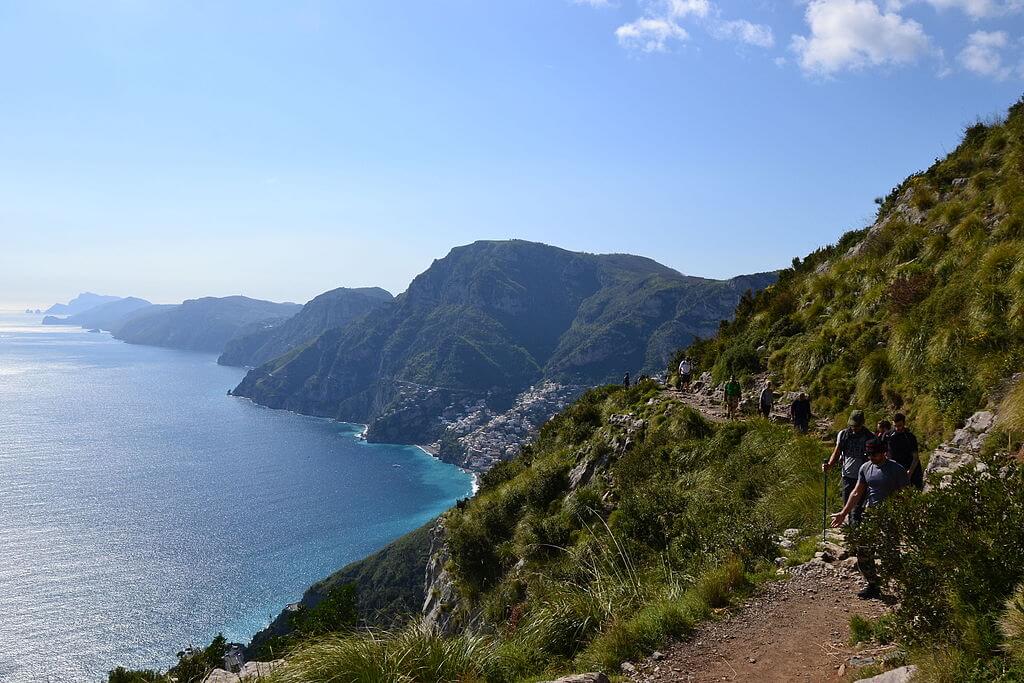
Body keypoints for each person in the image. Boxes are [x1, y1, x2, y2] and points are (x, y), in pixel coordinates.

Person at [831, 437, 910, 598]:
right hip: (870, 516)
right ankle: (873, 585)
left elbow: (907, 496)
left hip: (890, 516)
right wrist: (843, 513)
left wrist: (904, 517)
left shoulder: (897, 469)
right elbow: (856, 492)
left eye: (875, 454)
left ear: (884, 453)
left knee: (891, 554)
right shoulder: (865, 468)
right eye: (869, 454)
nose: (871, 457)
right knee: (863, 552)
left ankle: (903, 588)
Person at [822, 410, 871, 526]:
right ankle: (851, 531)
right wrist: (829, 465)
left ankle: (855, 532)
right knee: (846, 506)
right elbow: (837, 452)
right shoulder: (843, 434)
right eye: (852, 425)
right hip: (847, 476)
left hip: (863, 477)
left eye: (857, 426)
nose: (854, 428)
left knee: (857, 509)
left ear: (862, 424)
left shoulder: (869, 437)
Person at [886, 413, 923, 490]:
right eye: (895, 426)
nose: (897, 428)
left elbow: (915, 458)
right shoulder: (889, 436)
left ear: (904, 423)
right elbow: (887, 453)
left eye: (899, 426)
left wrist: (909, 473)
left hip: (912, 471)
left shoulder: (910, 437)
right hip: (896, 471)